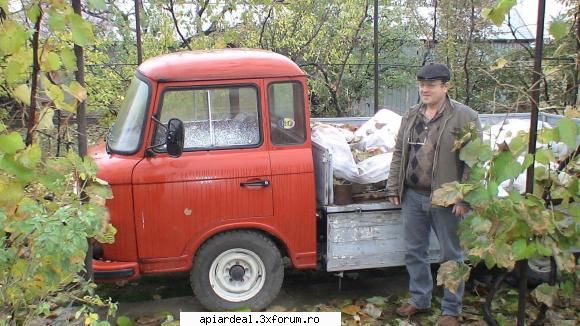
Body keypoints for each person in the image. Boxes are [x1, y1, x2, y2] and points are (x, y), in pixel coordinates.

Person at [385, 63, 481, 326]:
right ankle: (420, 299)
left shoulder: (465, 117)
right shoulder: (412, 115)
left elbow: (474, 161)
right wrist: (394, 186)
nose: (424, 89)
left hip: (446, 200)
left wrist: (464, 197)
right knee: (415, 252)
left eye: (431, 85)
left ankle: (451, 309)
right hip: (413, 197)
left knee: (452, 255)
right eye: (421, 84)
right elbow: (398, 154)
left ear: (445, 86)